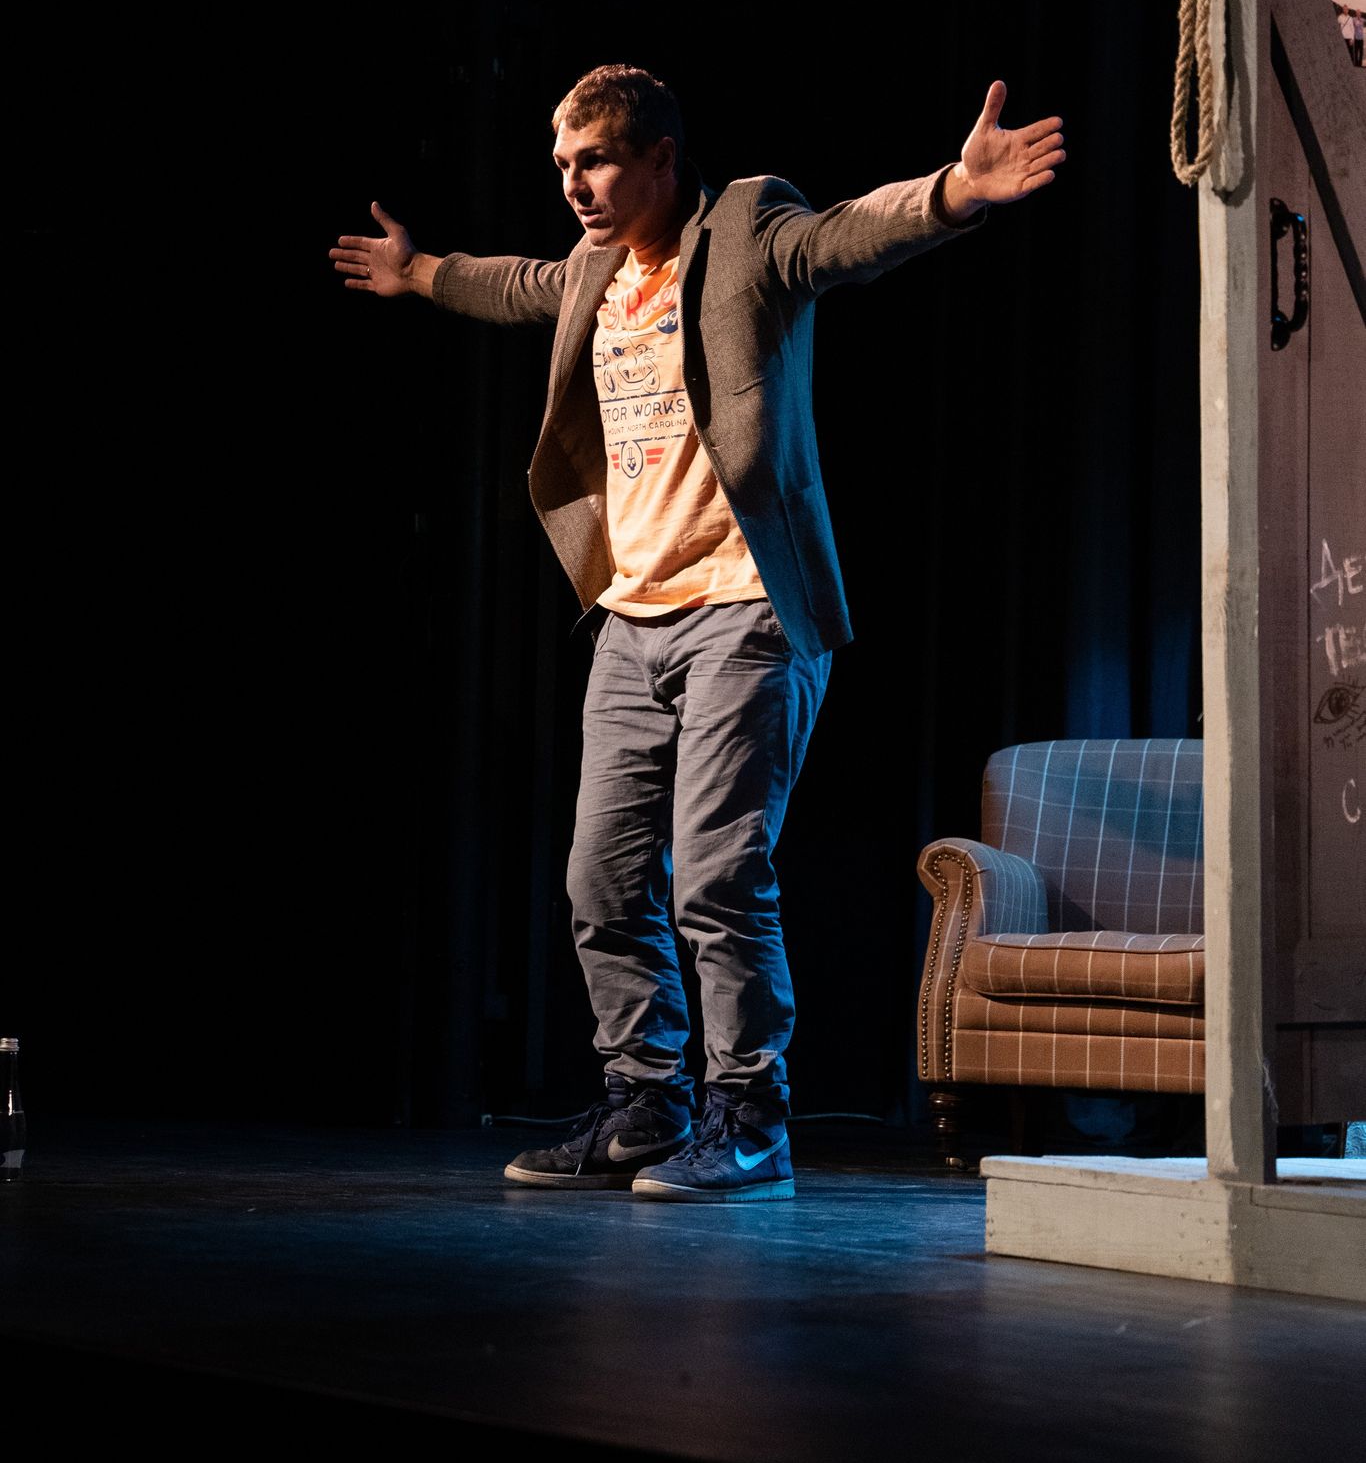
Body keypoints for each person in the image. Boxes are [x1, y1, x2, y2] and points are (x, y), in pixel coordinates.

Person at [330, 65, 1064, 1201]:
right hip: (632, 616)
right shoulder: (594, 268)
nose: (575, 185)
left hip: (747, 607)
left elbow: (844, 237)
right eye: (564, 165)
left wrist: (954, 192)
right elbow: (518, 285)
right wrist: (419, 271)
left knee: (717, 877)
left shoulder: (746, 229)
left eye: (597, 162)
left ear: (663, 158)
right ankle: (646, 1101)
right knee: (601, 879)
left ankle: (751, 1117)